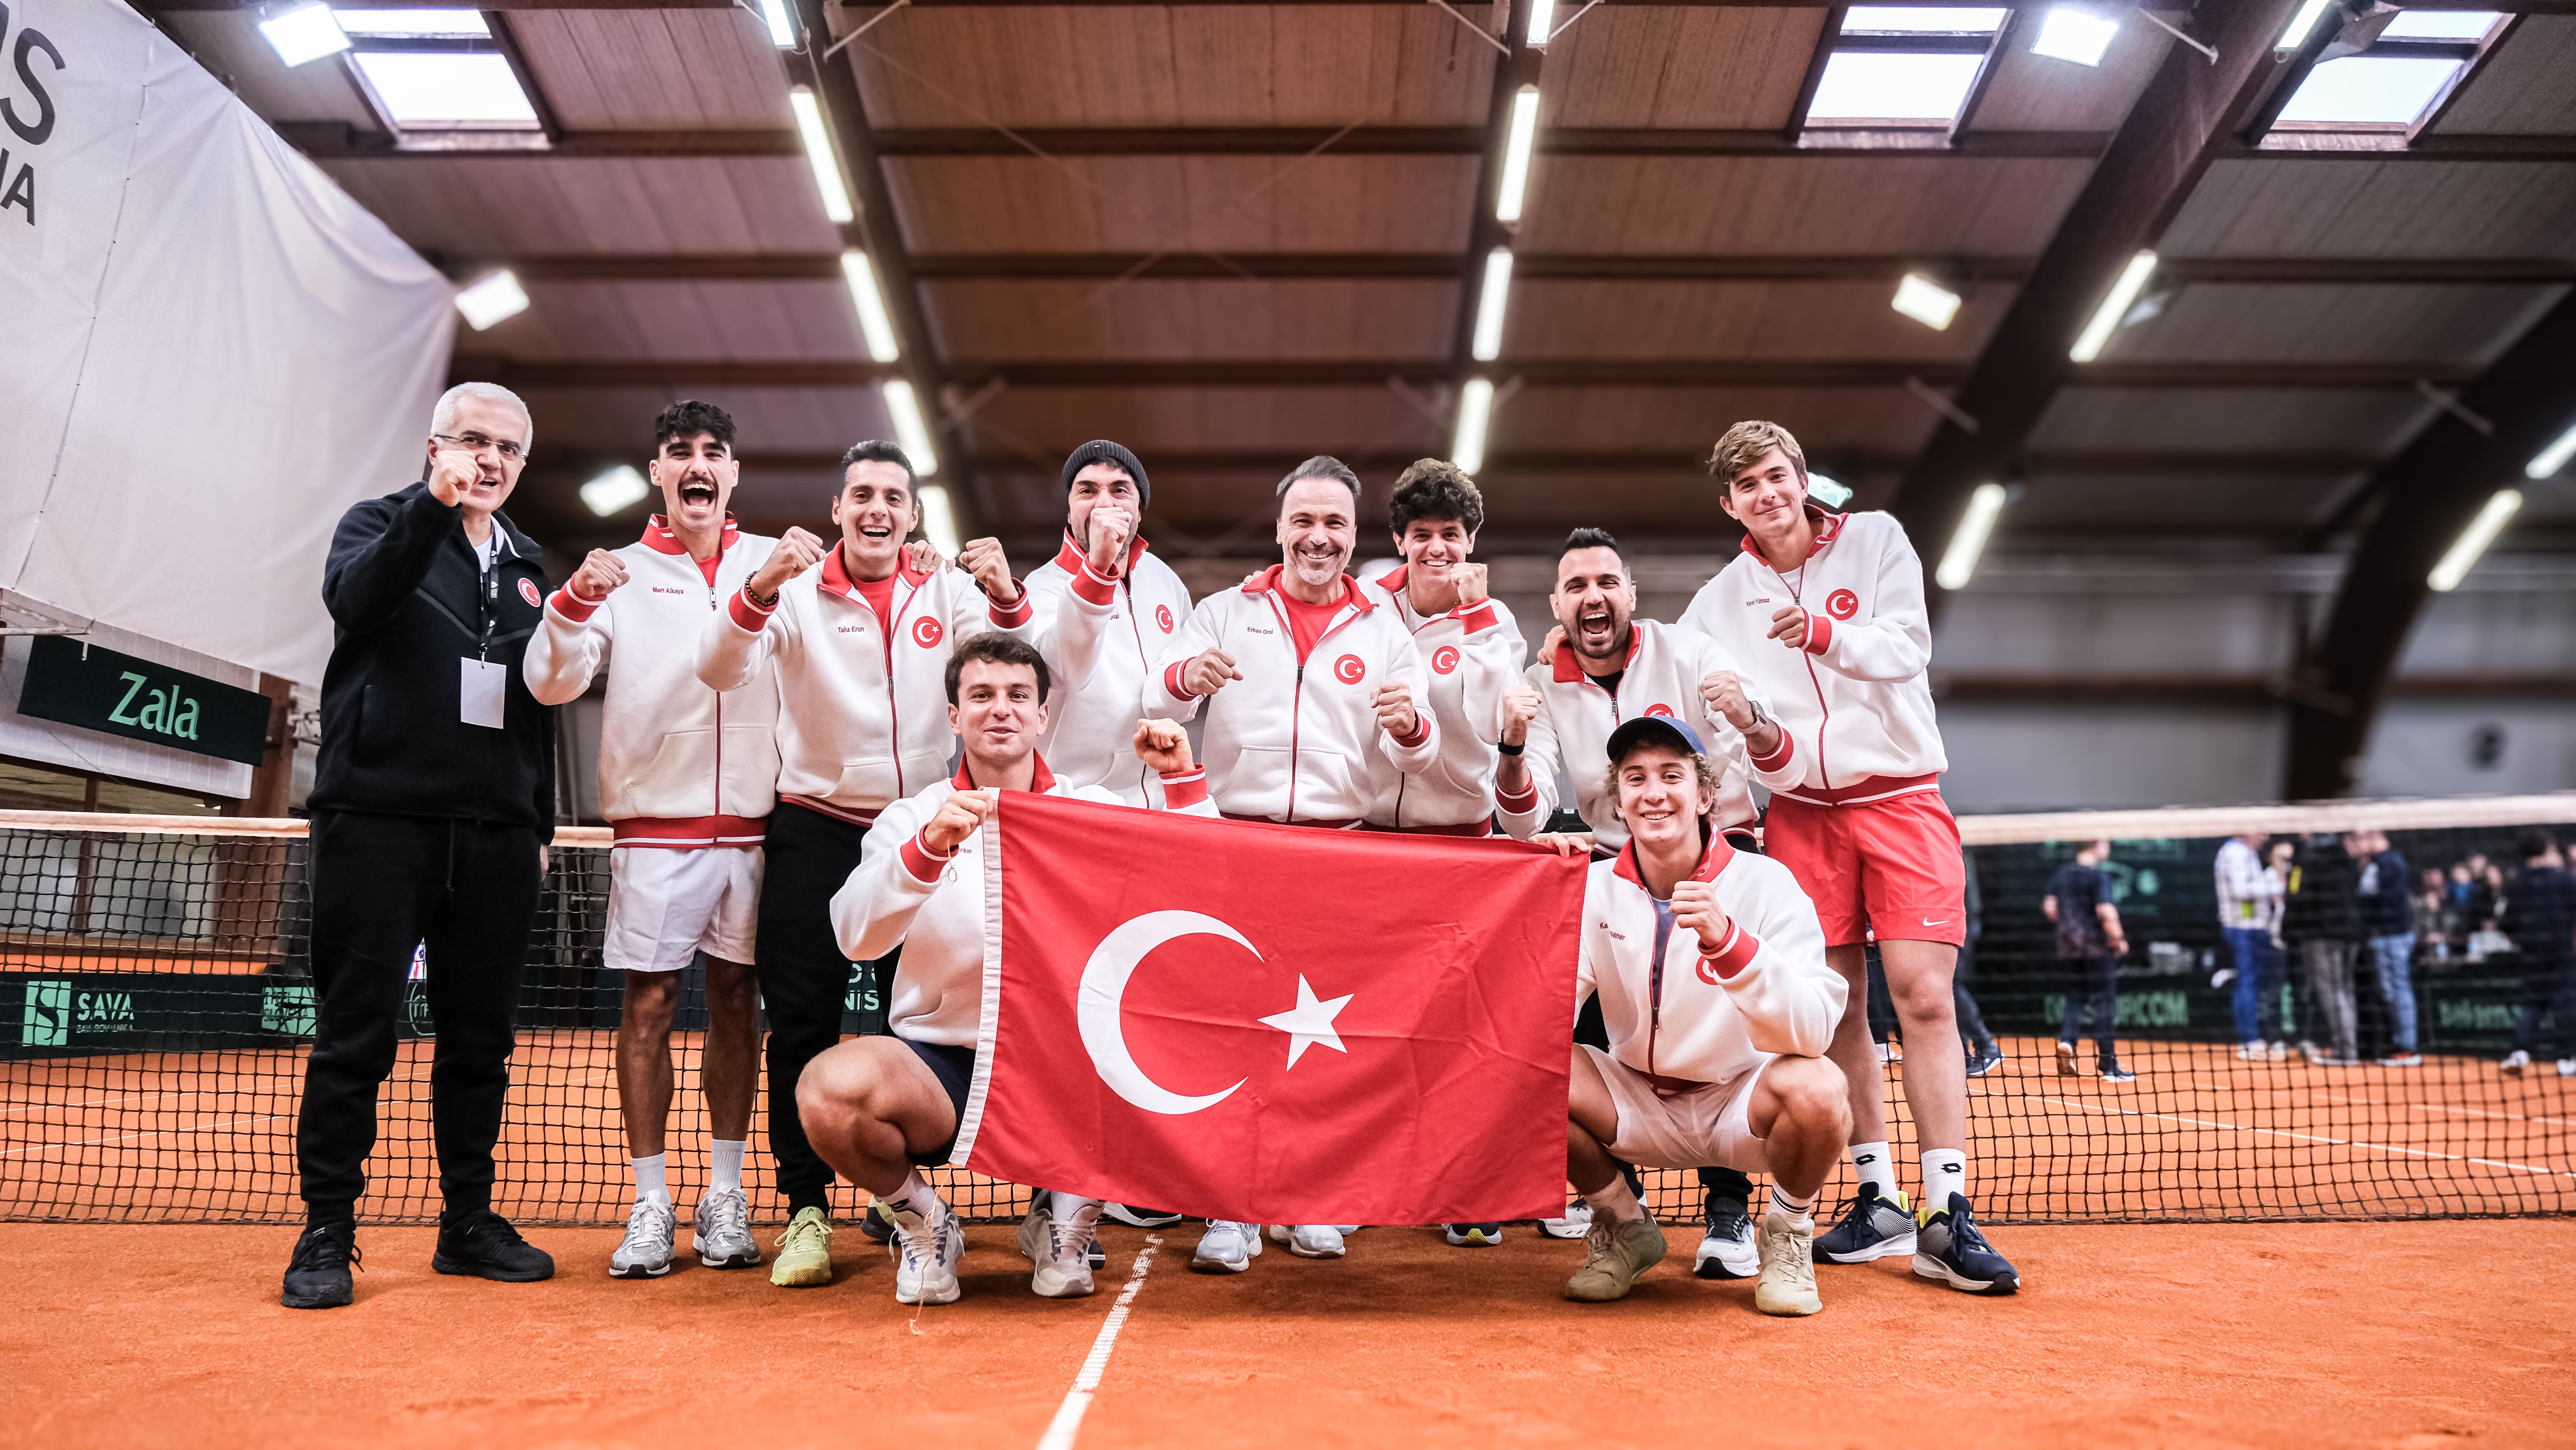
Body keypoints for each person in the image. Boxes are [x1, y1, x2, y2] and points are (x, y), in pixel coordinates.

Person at [1680, 420, 2015, 1295]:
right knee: (1834, 1015)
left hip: (1901, 797)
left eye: (1778, 475)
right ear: (1730, 504)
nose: (1768, 493)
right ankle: (1877, 1201)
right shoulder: (1719, 601)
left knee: (1925, 996)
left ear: (1803, 480)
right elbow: (1729, 721)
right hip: (1802, 813)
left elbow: (1910, 648)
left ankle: (1948, 1214)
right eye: (1748, 485)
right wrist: (1751, 734)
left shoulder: (1876, 540)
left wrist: (1823, 636)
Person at [695, 440, 1034, 1289]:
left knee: (908, 1027)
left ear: (913, 515)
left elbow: (1007, 668)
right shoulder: (796, 592)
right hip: (814, 825)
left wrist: (1000, 589)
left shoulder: (943, 587)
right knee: (801, 1026)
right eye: (861, 496)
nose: (877, 509)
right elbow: (717, 666)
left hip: (926, 828)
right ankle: (805, 1208)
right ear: (839, 510)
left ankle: (902, 1199)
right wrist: (761, 585)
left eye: (893, 495)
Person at [798, 635, 1218, 1304]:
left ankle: (1065, 1220)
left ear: (1043, 714)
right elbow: (855, 936)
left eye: (1019, 695)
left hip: (1075, 1069)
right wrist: (929, 849)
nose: (1002, 710)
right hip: (947, 1073)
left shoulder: (1096, 811)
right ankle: (925, 1223)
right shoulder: (912, 815)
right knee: (827, 1089)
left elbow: (1207, 887)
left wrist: (1182, 779)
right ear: (955, 717)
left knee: (1174, 1045)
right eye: (982, 696)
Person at [282, 381, 559, 1310]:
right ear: (436, 445)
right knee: (355, 1035)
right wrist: (433, 510)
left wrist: (539, 826)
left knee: (480, 1044)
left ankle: (468, 1222)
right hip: (377, 821)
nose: (490, 460)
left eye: (507, 450)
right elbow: (358, 606)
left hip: (494, 838)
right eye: (473, 442)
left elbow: (539, 708)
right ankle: (327, 1228)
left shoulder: (531, 564)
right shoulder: (376, 523)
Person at [1144, 455, 1441, 1270]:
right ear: (1280, 530)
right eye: (1304, 521)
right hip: (1234, 844)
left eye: (1334, 523)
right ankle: (1227, 1210)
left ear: (1355, 536)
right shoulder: (1224, 611)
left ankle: (1312, 1198)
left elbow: (1422, 757)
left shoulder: (1387, 627)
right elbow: (1156, 698)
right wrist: (1183, 675)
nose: (1319, 537)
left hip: (1337, 848)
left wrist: (1413, 725)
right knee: (1232, 1034)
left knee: (1323, 1038)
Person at [1490, 526, 1793, 1279]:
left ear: (1630, 594)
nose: (1593, 596)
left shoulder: (1689, 650)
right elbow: (1529, 814)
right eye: (1576, 586)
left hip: (1717, 856)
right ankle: (1621, 1215)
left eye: (1606, 582)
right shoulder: (1542, 678)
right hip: (1610, 863)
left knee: (1726, 1035)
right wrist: (1514, 743)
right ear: (1558, 605)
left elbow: (1764, 752)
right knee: (1590, 1035)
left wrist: (1748, 713)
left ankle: (1732, 1215)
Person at [523, 400, 778, 1278]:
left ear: (732, 475)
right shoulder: (619, 574)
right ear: (660, 474)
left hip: (752, 829)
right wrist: (570, 604)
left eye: (714, 452)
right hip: (654, 831)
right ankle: (650, 1202)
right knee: (649, 1009)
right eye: (680, 453)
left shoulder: (773, 566)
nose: (698, 464)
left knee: (740, 1007)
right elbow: (554, 685)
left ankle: (724, 1196)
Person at [1536, 716, 1859, 1310]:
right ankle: (1624, 1227)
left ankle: (1786, 1235)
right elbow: (1538, 1012)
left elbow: (1814, 1029)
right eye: (1635, 778)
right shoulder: (1594, 889)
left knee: (1820, 1088)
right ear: (1619, 802)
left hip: (1740, 1103)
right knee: (1522, 1072)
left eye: (1671, 775)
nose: (1653, 792)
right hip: (1634, 1100)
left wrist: (1731, 944)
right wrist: (1535, 893)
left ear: (1706, 795)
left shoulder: (1768, 883)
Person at [1360, 459, 1528, 1247]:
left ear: (1471, 543)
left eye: (1450, 537)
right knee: (1364, 1026)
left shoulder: (1496, 625)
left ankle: (1467, 1189)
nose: (1436, 549)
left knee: (1460, 1033)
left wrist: (1477, 620)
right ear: (1399, 538)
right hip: (1368, 845)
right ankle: (1357, 1183)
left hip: (1463, 846)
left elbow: (1498, 729)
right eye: (1421, 535)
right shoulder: (1363, 606)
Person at [1023, 440, 1198, 807]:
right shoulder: (1040, 588)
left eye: (1120, 490)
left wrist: (1190, 682)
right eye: (1087, 491)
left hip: (1161, 799)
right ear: (1070, 512)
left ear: (1139, 510)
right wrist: (1098, 569)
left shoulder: (1165, 580)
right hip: (1079, 802)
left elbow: (1175, 696)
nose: (1104, 503)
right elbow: (1061, 674)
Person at [2041, 839, 2133, 1083]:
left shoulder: (2062, 874)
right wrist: (2118, 938)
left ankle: (2067, 1043)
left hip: (2070, 946)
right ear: (2095, 845)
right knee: (2104, 1003)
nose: (2109, 845)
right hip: (2097, 947)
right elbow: (2105, 910)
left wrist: (2073, 924)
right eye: (2105, 841)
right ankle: (2109, 1064)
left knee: (2076, 998)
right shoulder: (2098, 876)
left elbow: (2051, 908)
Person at [2281, 834, 2365, 1066]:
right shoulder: (2347, 858)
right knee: (2345, 990)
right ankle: (2349, 1047)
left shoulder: (2304, 859)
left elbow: (2295, 895)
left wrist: (2287, 931)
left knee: (2332, 991)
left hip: (2320, 935)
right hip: (2351, 933)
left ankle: (2346, 1051)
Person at [2498, 833, 2576, 1077]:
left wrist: (2526, 940)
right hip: (2562, 953)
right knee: (2564, 1005)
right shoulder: (2564, 880)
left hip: (2531, 955)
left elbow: (2507, 926)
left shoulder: (2516, 883)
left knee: (2532, 1005)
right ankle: (2566, 1059)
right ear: (2547, 850)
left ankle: (2520, 1053)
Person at [2216, 831, 2288, 1061]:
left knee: (2252, 983)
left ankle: (2253, 1040)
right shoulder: (2235, 852)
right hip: (2243, 928)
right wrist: (2277, 888)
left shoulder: (2247, 852)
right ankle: (2249, 1042)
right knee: (2247, 982)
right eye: (2259, 830)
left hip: (2253, 928)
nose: (2265, 836)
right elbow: (2242, 891)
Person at [2352, 829, 2421, 1068]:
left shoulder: (2391, 862)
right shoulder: (2375, 864)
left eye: (2362, 837)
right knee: (2390, 991)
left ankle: (2408, 1047)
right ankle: (2400, 1043)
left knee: (2399, 990)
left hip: (2393, 936)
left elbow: (2386, 901)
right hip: (2382, 937)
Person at [1958, 849, 2003, 1077]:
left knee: (1952, 985)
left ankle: (1988, 1048)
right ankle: (1963, 1055)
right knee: (1945, 987)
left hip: (1961, 919)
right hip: (1954, 918)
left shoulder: (1952, 843)